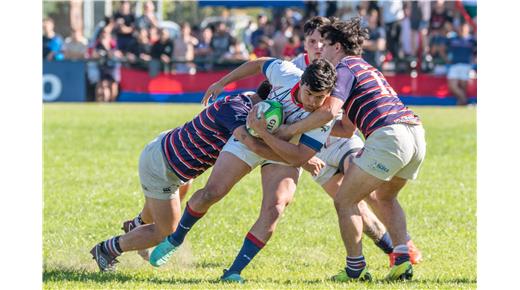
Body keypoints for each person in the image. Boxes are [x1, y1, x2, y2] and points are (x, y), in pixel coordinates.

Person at [149, 58, 338, 284]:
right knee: (212, 192)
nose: (313, 102)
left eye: (320, 97)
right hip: (251, 140)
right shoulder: (287, 74)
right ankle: (175, 239)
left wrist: (266, 134)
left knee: (275, 207)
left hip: (284, 153)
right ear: (302, 82)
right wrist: (222, 82)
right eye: (309, 94)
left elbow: (298, 156)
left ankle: (233, 272)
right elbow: (259, 64)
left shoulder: (325, 115)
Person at [90, 84, 270, 272]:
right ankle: (106, 249)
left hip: (170, 157)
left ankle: (136, 225)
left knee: (178, 193)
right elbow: (252, 144)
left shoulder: (247, 100)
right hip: (162, 167)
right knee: (165, 232)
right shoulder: (237, 112)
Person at [316, 18, 426, 282]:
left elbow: (330, 110)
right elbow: (345, 128)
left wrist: (293, 126)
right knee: (386, 197)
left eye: (326, 45)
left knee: (345, 200)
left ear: (339, 47)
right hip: (415, 134)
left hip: (389, 136)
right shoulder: (367, 67)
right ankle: (401, 262)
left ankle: (355, 269)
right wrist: (313, 130)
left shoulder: (344, 67)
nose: (321, 51)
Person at [446, 22, 476, 106]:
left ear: (468, 29)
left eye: (464, 28)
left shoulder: (472, 40)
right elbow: (443, 47)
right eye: (461, 28)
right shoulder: (452, 39)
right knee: (452, 86)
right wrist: (446, 58)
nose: (462, 29)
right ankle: (465, 100)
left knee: (463, 86)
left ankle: (461, 102)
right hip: (454, 65)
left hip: (466, 66)